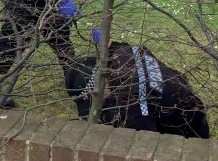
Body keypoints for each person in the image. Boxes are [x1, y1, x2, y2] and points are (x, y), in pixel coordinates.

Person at [65, 33, 210, 139]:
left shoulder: (131, 101)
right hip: (188, 101)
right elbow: (121, 47)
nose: (97, 104)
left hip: (189, 130)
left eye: (93, 99)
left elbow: (144, 143)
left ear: (99, 84)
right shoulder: (123, 53)